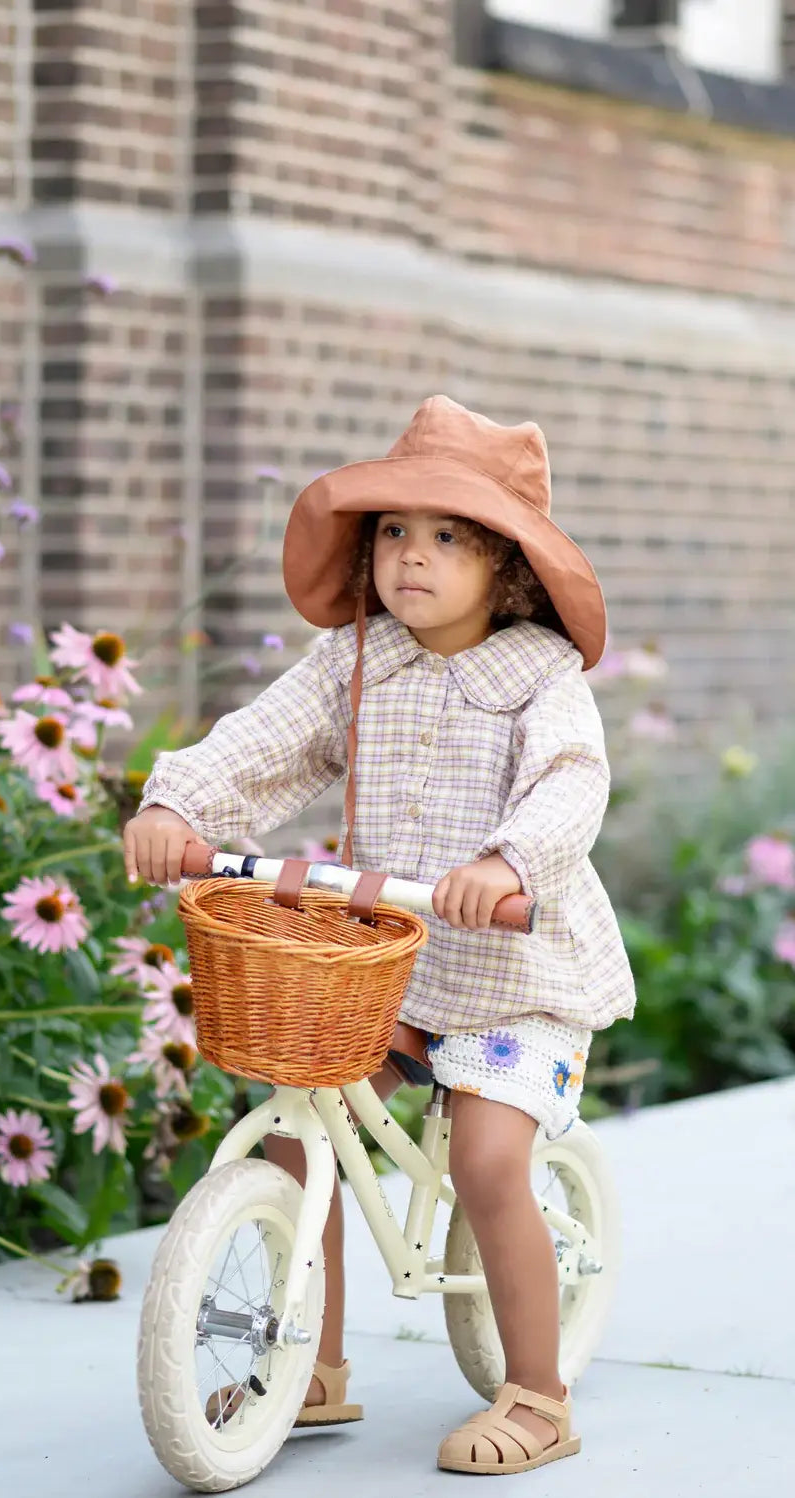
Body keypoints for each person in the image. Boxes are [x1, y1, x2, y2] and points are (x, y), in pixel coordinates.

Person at [124, 396, 635, 1476]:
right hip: (393, 964)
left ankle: (539, 1395)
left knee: (493, 1161)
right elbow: (260, 744)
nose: (412, 556)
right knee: (293, 1128)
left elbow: (569, 782)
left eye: (448, 536)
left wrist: (505, 863)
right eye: (394, 531)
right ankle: (309, 1366)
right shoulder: (353, 661)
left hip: (515, 973)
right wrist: (180, 805)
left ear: (504, 568)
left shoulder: (540, 676)